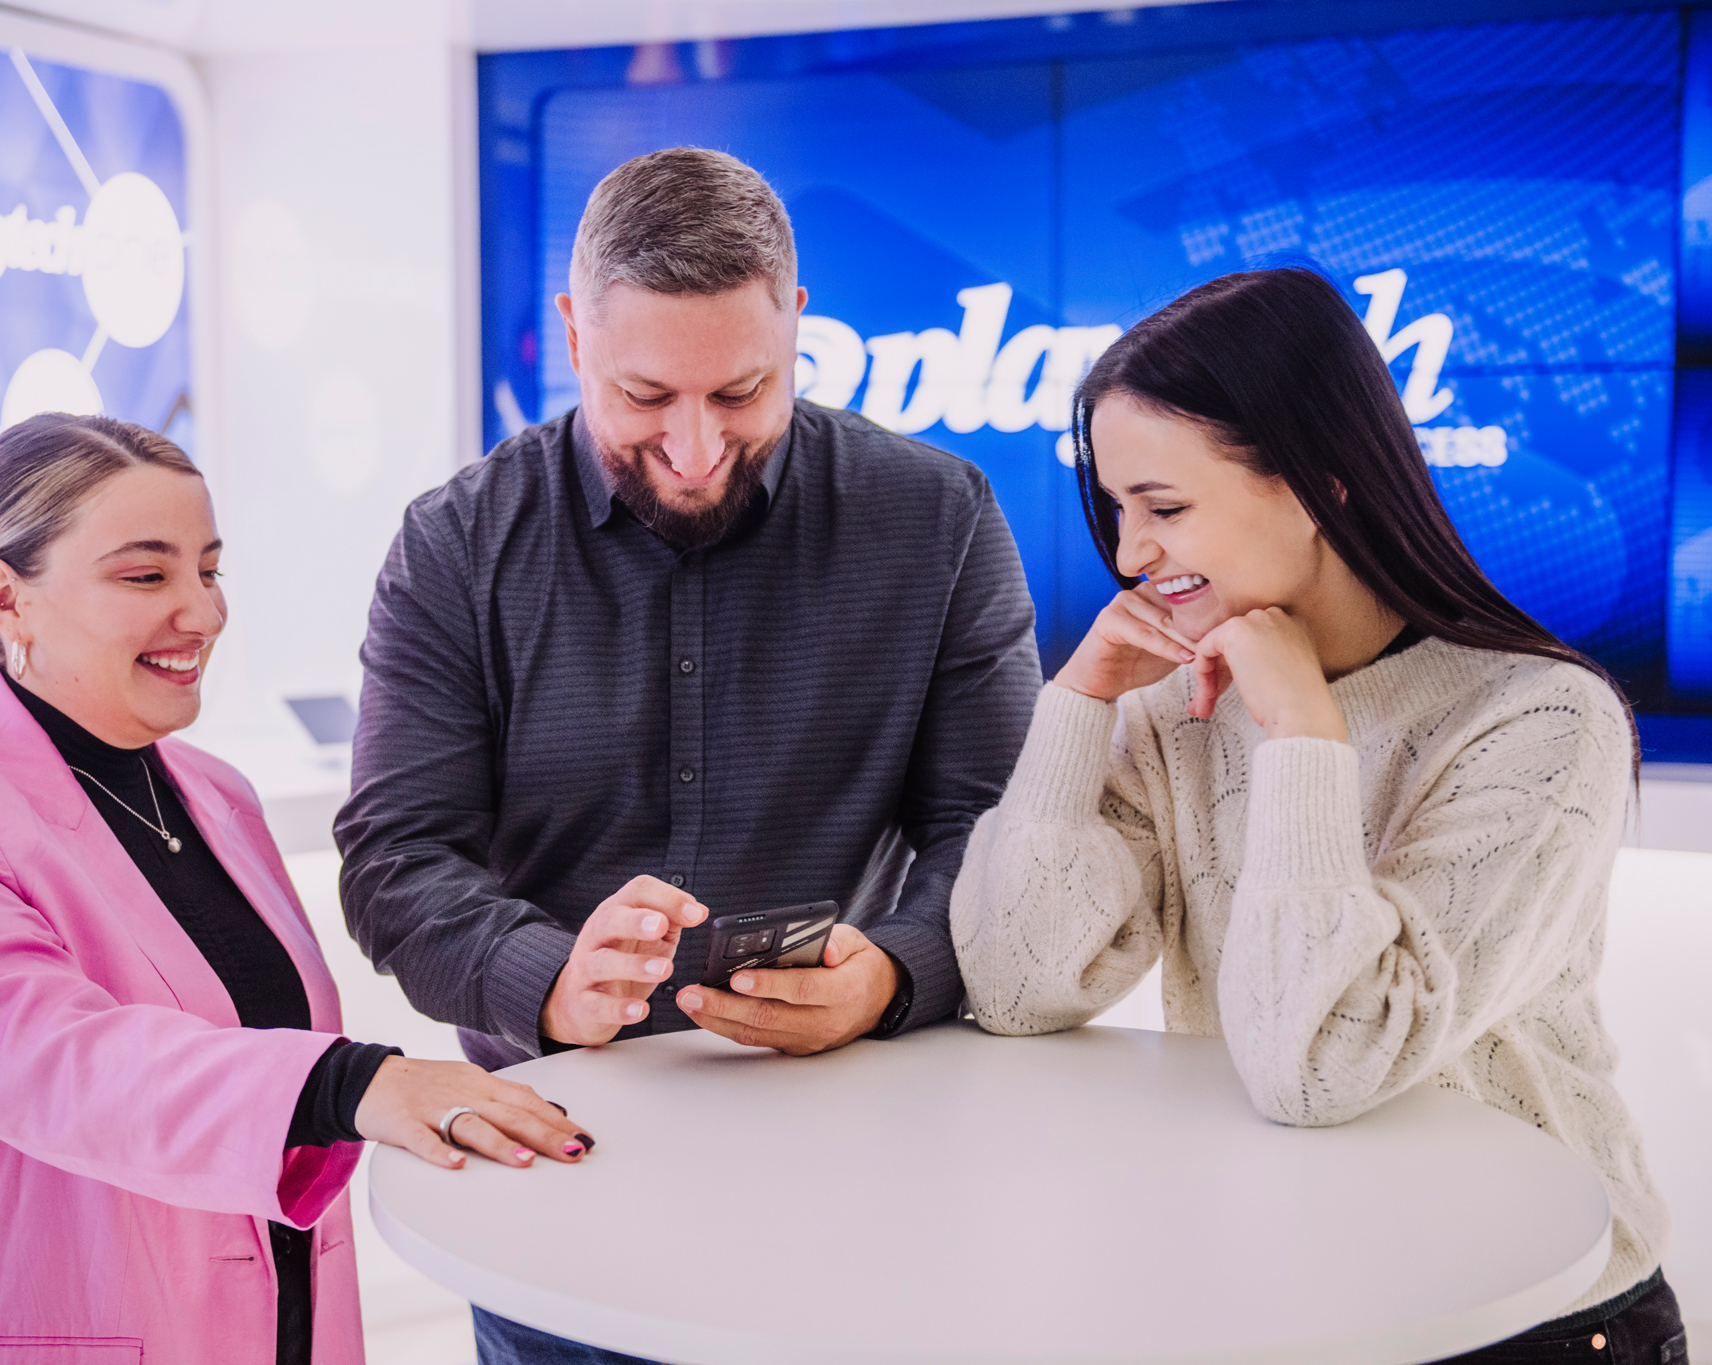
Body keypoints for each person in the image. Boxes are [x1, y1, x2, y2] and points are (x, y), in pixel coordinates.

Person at [337, 147, 1040, 1362]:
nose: (698, 446)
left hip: (857, 1144)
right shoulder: (455, 545)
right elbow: (396, 858)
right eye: (646, 396)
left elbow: (998, 830)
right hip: (553, 1158)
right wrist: (542, 978)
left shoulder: (938, 518)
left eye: (741, 392)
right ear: (573, 334)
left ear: (795, 323)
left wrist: (892, 974)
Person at [949, 268, 1686, 1361]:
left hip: (1533, 1315)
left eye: (1164, 508)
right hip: (1293, 1300)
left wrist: (1301, 730)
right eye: (1115, 510)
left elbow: (1323, 1063)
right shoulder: (1173, 706)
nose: (1130, 554)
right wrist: (1077, 702)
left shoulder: (1542, 719)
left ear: (1317, 485)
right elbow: (1017, 989)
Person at [0, 414, 595, 1365]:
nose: (204, 613)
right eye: (147, 576)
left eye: (209, 570)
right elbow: (48, 1056)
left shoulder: (215, 795)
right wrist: (353, 1082)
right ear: (5, 597)